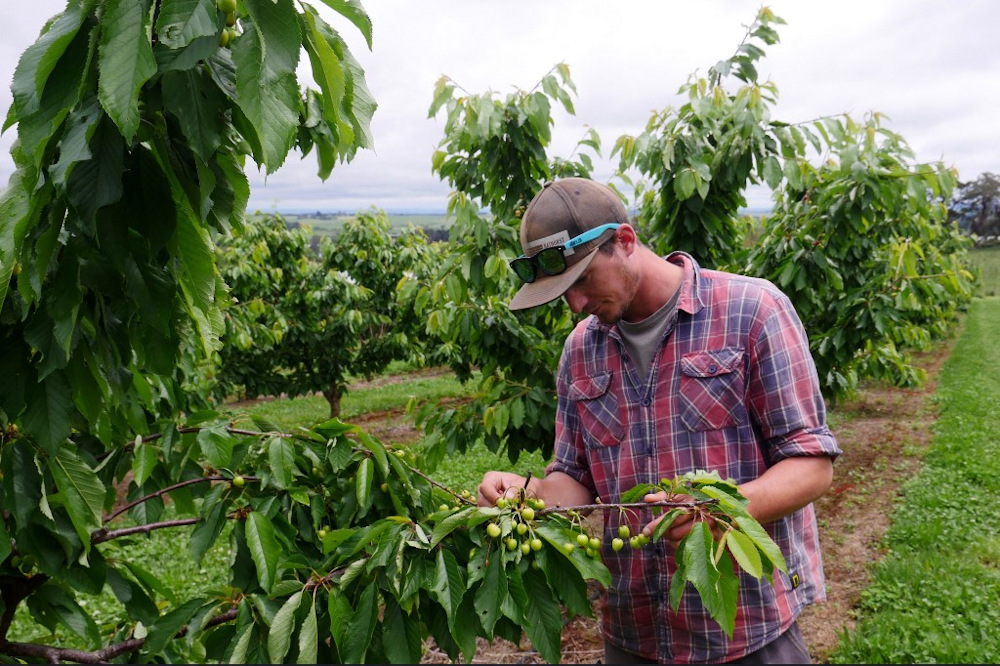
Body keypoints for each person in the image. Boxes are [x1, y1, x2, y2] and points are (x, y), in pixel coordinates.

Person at [478, 177, 842, 664]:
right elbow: (576, 480)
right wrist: (528, 494)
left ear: (625, 241)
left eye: (582, 281)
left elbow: (813, 463)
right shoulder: (581, 351)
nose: (576, 305)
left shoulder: (752, 312)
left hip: (746, 632)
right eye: (561, 292)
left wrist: (723, 511)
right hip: (634, 635)